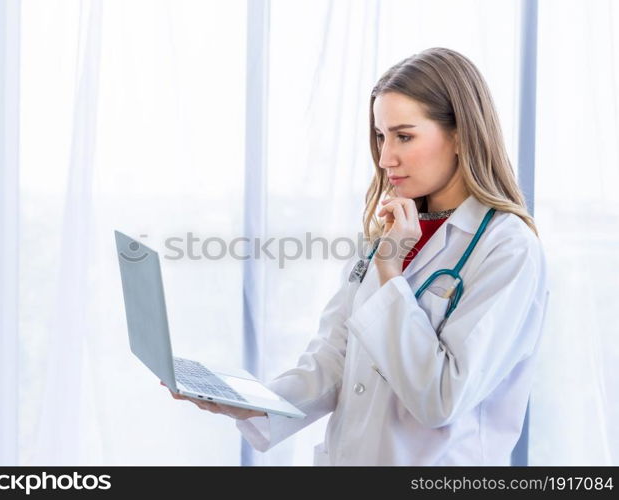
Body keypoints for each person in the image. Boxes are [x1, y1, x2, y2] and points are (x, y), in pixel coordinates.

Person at [164, 47, 549, 465]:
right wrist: (250, 402)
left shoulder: (507, 248)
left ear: (460, 134)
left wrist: (389, 272)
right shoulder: (391, 230)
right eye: (381, 137)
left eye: (404, 136)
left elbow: (441, 398)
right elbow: (334, 360)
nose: (385, 158)